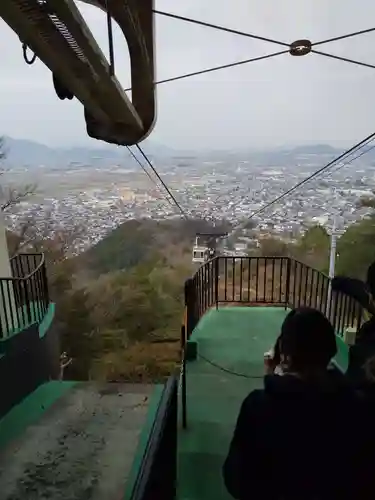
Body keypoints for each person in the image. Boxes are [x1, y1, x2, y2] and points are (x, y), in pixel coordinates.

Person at [223, 307, 372, 500]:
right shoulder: (358, 408)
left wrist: (271, 381)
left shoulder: (258, 407)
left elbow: (237, 479)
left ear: (284, 355)